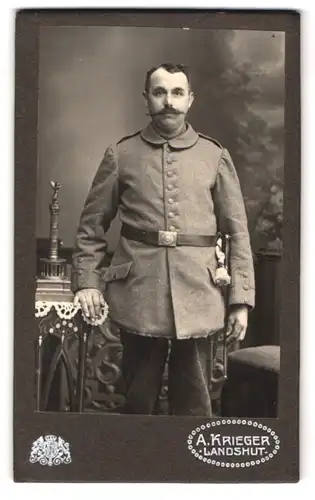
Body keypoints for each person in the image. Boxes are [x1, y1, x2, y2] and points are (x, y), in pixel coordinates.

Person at [71, 63, 255, 416]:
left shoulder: (214, 156)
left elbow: (238, 233)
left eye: (176, 93)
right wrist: (87, 282)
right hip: (138, 292)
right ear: (146, 99)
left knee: (196, 403)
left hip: (201, 293)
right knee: (138, 399)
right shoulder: (121, 154)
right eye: (159, 92)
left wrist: (240, 301)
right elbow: (91, 227)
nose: (168, 102)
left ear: (190, 100)